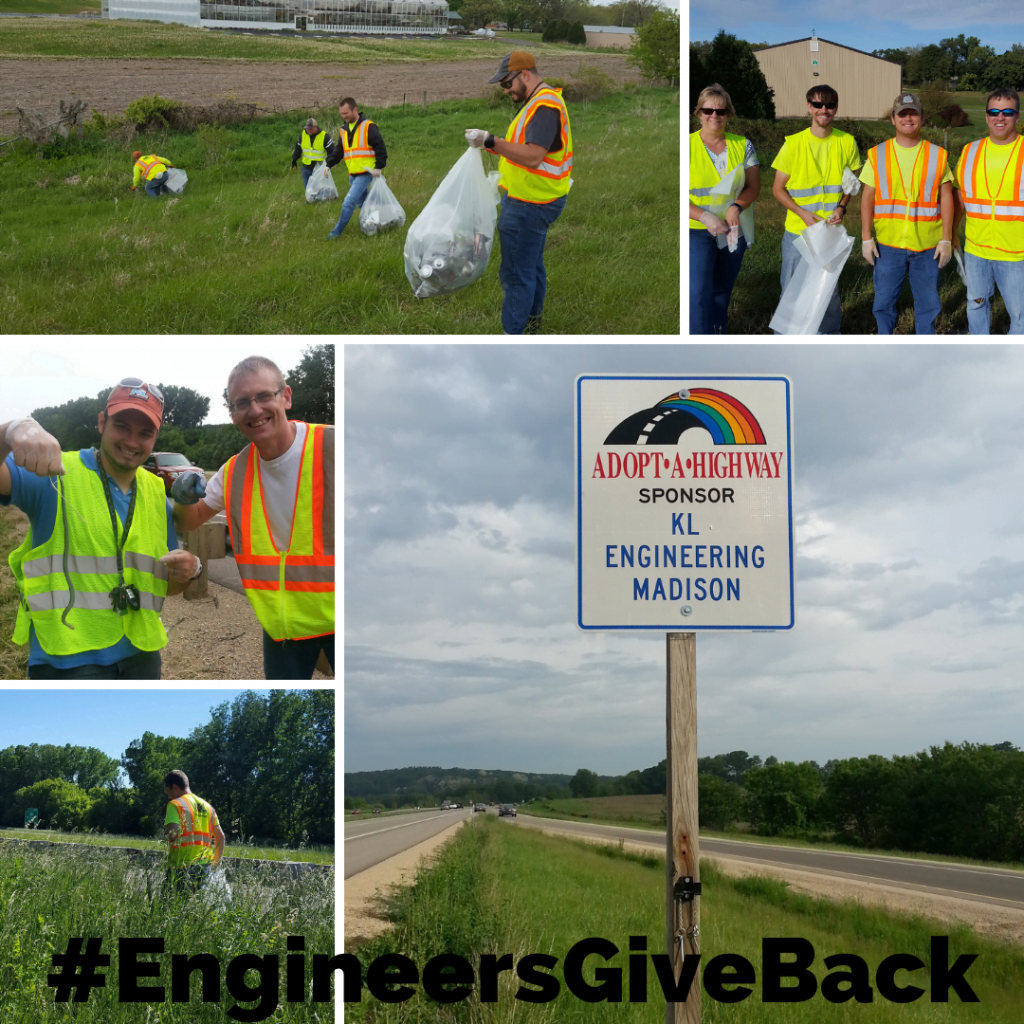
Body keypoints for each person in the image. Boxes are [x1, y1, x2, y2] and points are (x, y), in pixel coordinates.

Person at [0, 381, 202, 679]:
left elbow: (167, 585)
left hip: (142, 655)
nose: (132, 442)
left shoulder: (156, 490)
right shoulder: (55, 473)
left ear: (155, 437)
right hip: (66, 657)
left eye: (144, 433)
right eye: (122, 426)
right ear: (101, 422)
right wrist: (11, 430)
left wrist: (190, 572)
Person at [171, 356, 334, 680]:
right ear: (232, 414)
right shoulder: (234, 472)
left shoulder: (334, 446)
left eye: (263, 396)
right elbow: (190, 521)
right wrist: (183, 497)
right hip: (282, 629)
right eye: (242, 403)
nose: (254, 410)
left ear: (285, 396)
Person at [464, 51, 573, 335]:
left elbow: (533, 156)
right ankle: (533, 323)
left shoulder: (544, 106)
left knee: (516, 276)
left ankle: (514, 336)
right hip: (538, 198)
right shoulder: (539, 101)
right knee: (532, 265)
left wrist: (489, 140)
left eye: (507, 83)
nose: (506, 90)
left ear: (525, 74)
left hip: (530, 204)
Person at [860, 93, 954, 334]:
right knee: (883, 303)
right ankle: (885, 344)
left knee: (928, 305)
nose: (908, 118)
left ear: (922, 118)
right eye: (902, 114)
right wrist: (866, 237)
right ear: (893, 119)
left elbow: (946, 197)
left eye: (913, 113)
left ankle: (925, 347)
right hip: (888, 245)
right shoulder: (877, 154)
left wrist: (946, 239)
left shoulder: (938, 155)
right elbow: (868, 197)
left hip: (927, 246)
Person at [771, 85, 862, 334]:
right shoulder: (793, 144)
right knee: (792, 292)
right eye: (818, 105)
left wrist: (842, 207)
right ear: (809, 107)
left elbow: (851, 184)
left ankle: (828, 340)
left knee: (827, 293)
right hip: (798, 232)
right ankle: (788, 341)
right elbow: (778, 189)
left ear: (836, 108)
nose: (824, 110)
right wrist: (802, 213)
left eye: (830, 105)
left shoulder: (847, 141)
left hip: (830, 233)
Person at [689, 83, 760, 334]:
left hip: (733, 228)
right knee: (697, 292)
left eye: (721, 111)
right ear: (698, 113)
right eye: (708, 110)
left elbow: (753, 186)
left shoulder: (744, 145)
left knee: (721, 289)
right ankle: (695, 340)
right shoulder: (685, 147)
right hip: (696, 230)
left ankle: (717, 334)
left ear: (729, 114)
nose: (714, 116)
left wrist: (736, 207)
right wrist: (704, 215)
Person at [952, 88, 1024, 334]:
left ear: (1017, 116)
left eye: (1007, 112)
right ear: (986, 116)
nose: (1000, 117)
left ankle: (1013, 366)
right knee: (975, 306)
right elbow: (960, 197)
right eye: (994, 111)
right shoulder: (970, 151)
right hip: (976, 250)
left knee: (1020, 316)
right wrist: (951, 233)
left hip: (1017, 254)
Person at [325, 98, 387, 238]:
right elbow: (339, 151)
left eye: (346, 113)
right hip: (352, 174)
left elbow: (380, 147)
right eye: (342, 114)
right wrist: (329, 164)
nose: (344, 116)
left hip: (366, 172)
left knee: (348, 202)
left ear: (355, 109)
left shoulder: (368, 126)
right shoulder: (343, 130)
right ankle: (380, 222)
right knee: (365, 203)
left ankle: (336, 233)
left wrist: (379, 166)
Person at [163, 769, 225, 895]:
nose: (168, 796)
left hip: (180, 866)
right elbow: (221, 837)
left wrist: (163, 836)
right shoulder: (208, 807)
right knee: (195, 908)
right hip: (204, 867)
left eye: (168, 792)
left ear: (174, 787)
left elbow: (172, 834)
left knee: (168, 907)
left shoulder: (175, 804)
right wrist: (216, 863)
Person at [291, 117, 335, 190]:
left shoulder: (325, 136)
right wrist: (294, 160)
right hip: (306, 167)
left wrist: (328, 164)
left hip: (320, 168)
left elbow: (332, 152)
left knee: (320, 190)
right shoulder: (302, 136)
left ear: (316, 127)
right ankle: (310, 201)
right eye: (307, 128)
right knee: (308, 190)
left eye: (311, 128)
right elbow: (298, 149)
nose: (309, 130)